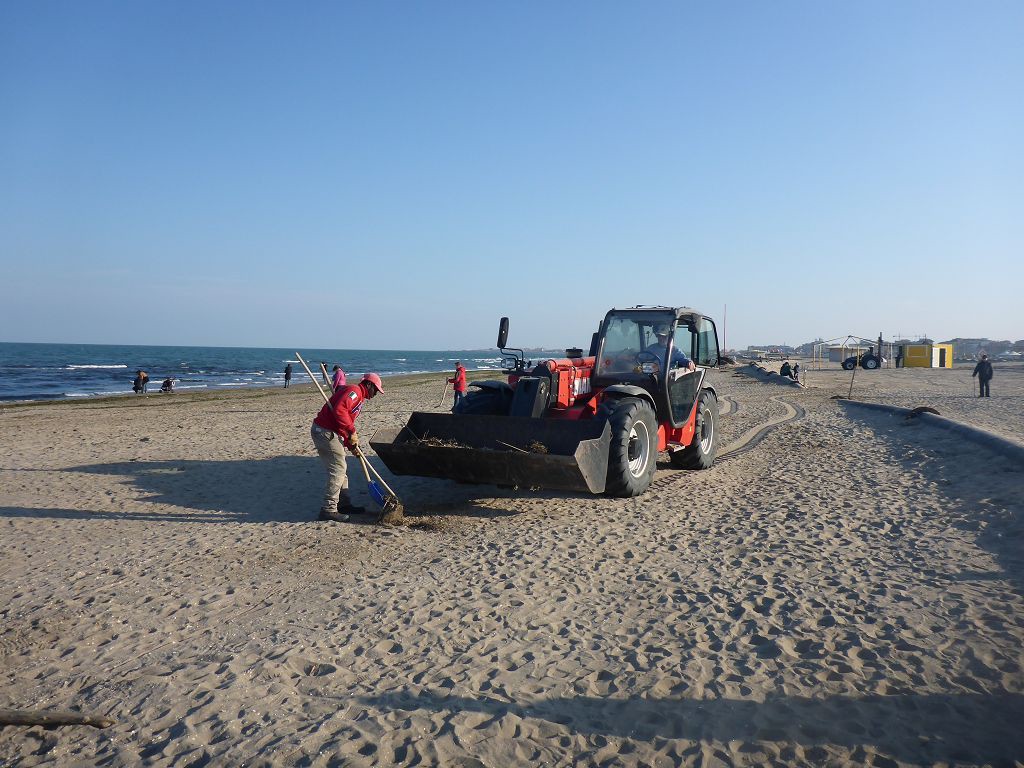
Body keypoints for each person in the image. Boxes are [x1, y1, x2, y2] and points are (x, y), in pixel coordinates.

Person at [310, 372, 384, 522]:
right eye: (375, 389)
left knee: (341, 469)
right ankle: (328, 510)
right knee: (338, 469)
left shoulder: (358, 396)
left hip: (330, 431)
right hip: (325, 432)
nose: (375, 393)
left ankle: (343, 505)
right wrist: (352, 431)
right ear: (368, 384)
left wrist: (351, 445)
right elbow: (340, 411)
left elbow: (342, 421)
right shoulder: (354, 391)